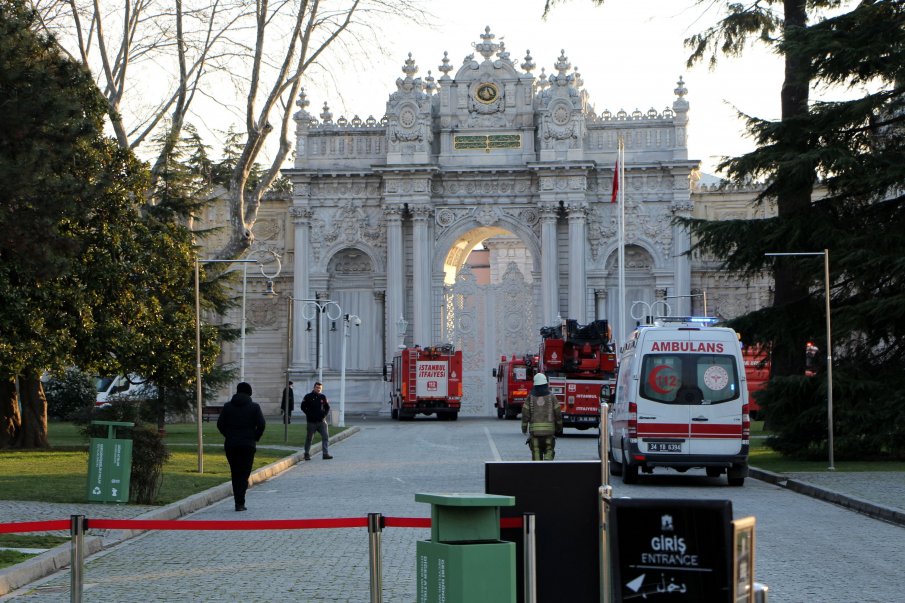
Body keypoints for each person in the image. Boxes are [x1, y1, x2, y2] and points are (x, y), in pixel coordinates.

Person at [217, 382, 266, 511]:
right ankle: (240, 502)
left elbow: (220, 424)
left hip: (231, 444)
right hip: (247, 444)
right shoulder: (254, 407)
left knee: (235, 472)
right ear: (249, 393)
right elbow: (261, 424)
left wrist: (228, 434)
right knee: (244, 474)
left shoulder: (227, 407)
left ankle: (237, 502)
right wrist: (255, 437)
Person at [521, 373, 563, 461]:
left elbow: (525, 415)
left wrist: (524, 428)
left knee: (536, 455)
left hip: (535, 435)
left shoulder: (530, 398)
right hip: (549, 434)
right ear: (546, 384)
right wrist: (559, 427)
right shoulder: (552, 397)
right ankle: (547, 469)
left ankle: (538, 471)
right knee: (549, 451)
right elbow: (558, 414)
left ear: (535, 385)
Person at [301, 381, 332, 460]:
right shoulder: (308, 396)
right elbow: (303, 407)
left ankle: (325, 454)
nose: (318, 389)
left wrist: (324, 415)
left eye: (320, 388)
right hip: (311, 422)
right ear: (314, 388)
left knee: (325, 436)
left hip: (322, 422)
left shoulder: (323, 397)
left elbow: (327, 407)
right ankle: (306, 454)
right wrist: (309, 414)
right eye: (317, 387)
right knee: (309, 438)